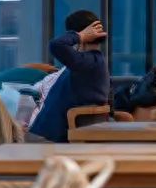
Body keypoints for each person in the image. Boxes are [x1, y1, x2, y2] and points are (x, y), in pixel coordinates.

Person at [30, 9, 111, 143]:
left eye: (71, 34)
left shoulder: (89, 63)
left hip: (50, 140)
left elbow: (55, 45)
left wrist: (79, 36)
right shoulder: (90, 62)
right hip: (45, 134)